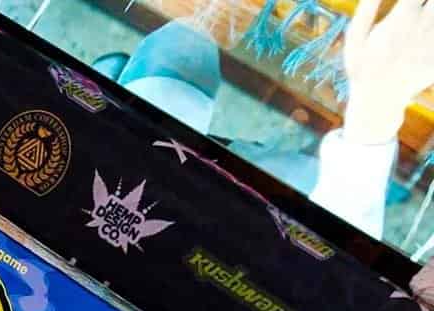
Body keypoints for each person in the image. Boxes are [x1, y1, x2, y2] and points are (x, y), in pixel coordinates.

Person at [96, 0, 434, 244]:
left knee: (170, 81)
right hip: (267, 242)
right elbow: (334, 268)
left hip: (140, 177)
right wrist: (377, 106)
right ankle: (384, 174)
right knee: (332, 182)